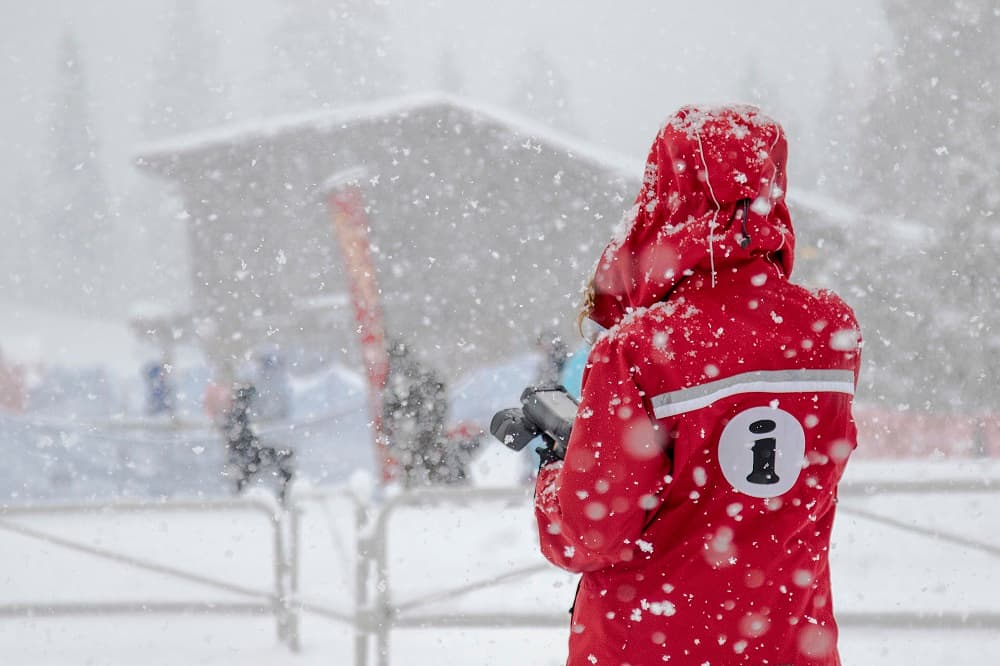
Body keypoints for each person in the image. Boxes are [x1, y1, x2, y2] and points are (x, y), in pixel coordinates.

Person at [533, 105, 861, 666]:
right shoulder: (829, 331)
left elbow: (594, 531)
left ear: (666, 192)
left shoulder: (640, 347)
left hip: (653, 645)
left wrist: (554, 478)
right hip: (786, 643)